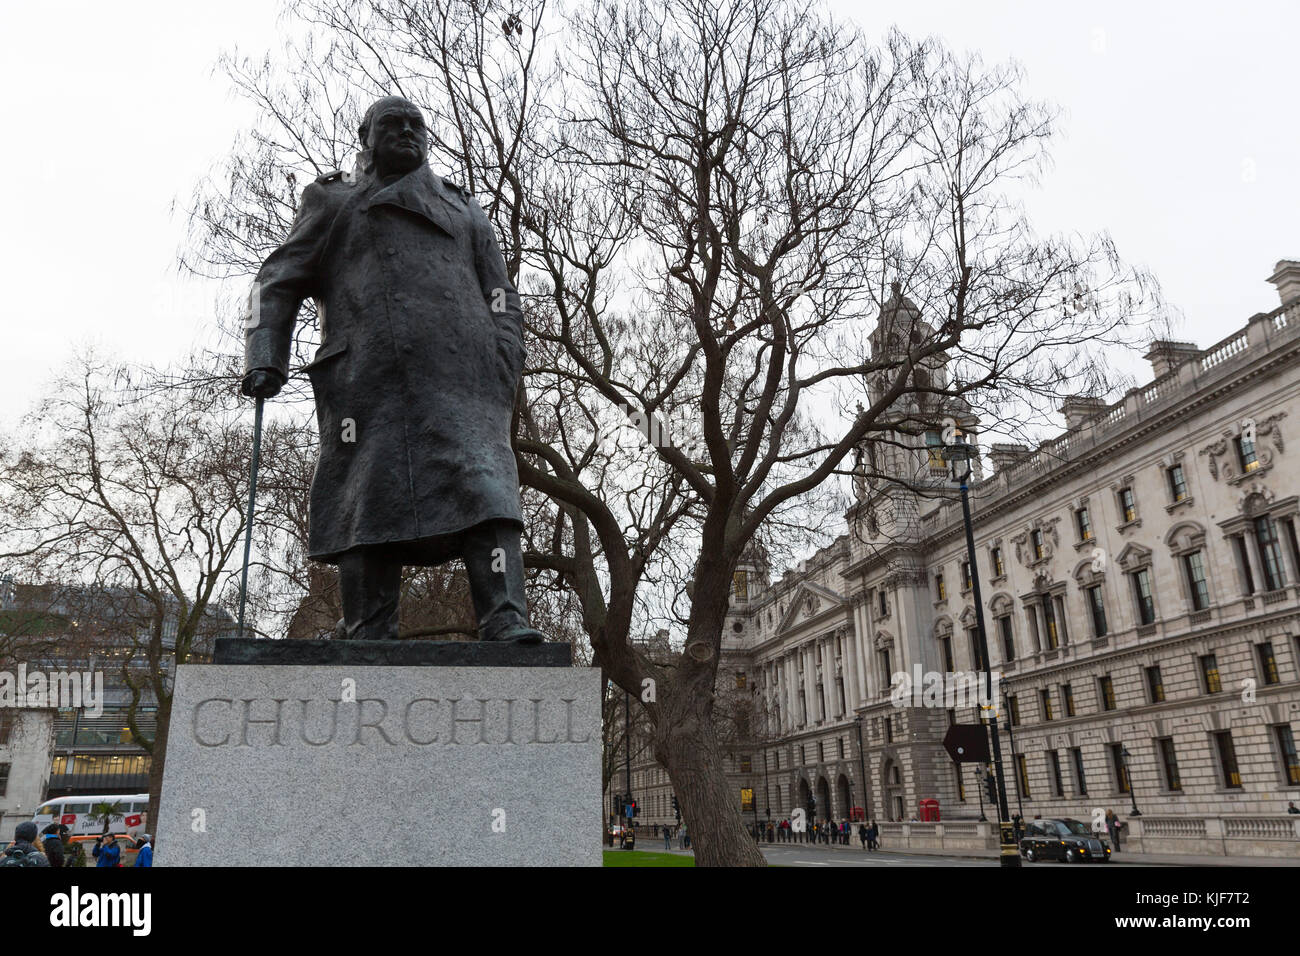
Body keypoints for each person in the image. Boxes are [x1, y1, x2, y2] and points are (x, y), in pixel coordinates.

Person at [241, 95, 542, 644]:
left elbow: (501, 295)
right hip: (369, 382)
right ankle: (368, 630)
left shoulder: (466, 211)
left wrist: (504, 359)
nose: (406, 133)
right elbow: (275, 281)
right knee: (368, 499)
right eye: (392, 125)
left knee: (488, 490)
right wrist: (266, 353)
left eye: (415, 126)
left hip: (465, 380)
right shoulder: (335, 203)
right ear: (367, 137)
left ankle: (505, 618)